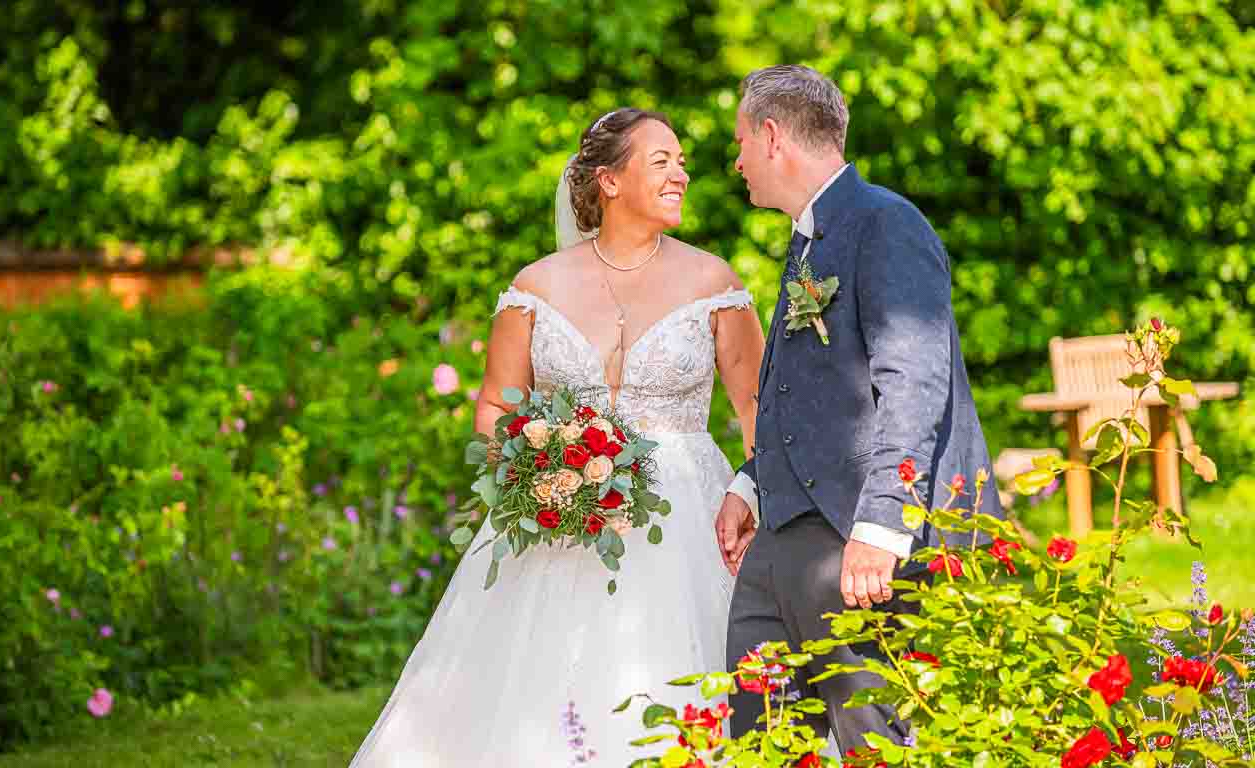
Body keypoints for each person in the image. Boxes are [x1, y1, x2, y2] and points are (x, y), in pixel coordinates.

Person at [350, 107, 767, 766]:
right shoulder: (534, 288)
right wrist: (540, 469)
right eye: (663, 161)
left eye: (682, 161)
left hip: (690, 514)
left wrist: (750, 493)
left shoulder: (714, 284)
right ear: (608, 181)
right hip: (559, 521)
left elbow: (760, 413)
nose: (681, 175)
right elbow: (494, 406)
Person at [716, 65, 1004, 753]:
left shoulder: (885, 224)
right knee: (762, 732)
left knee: (873, 738)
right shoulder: (809, 237)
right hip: (786, 538)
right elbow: (802, 387)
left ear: (772, 135)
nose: (736, 162)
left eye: (740, 143)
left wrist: (880, 524)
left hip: (856, 535)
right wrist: (751, 483)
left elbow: (914, 380)